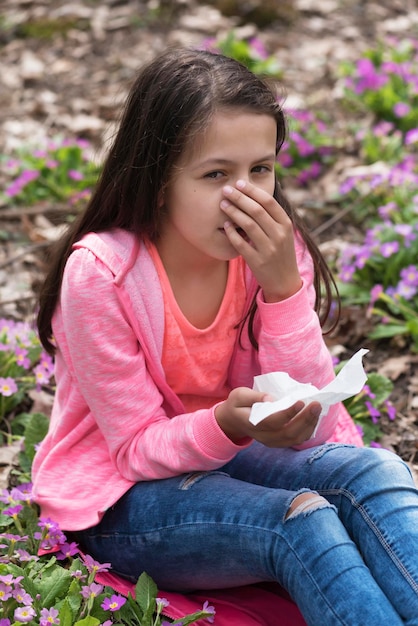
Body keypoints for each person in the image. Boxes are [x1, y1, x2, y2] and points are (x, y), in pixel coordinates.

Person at [32, 48, 418, 626]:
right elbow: (136, 450)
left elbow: (311, 418)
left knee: (380, 473)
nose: (248, 196)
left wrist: (284, 290)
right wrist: (226, 424)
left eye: (260, 169)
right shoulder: (102, 274)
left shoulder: (271, 253)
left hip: (237, 460)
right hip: (125, 498)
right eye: (216, 174)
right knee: (303, 519)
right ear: (158, 181)